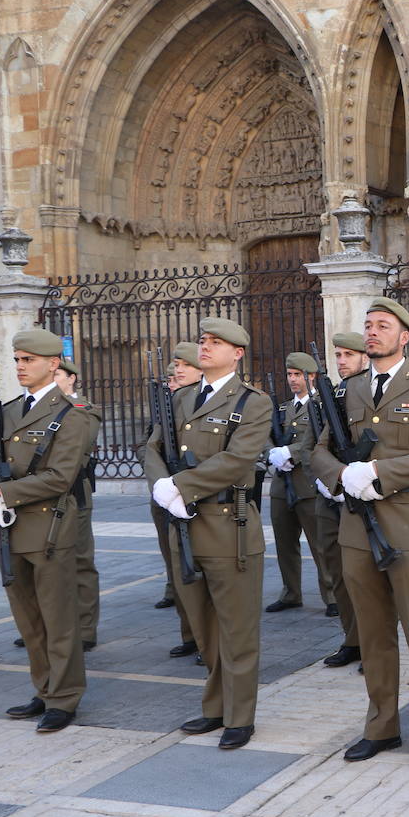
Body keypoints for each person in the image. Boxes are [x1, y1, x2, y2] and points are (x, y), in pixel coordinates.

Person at [312, 298, 409, 772]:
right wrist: (340, 475)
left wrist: (375, 471)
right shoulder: (348, 389)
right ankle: (382, 726)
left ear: (404, 336)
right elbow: (320, 449)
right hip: (356, 530)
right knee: (373, 636)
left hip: (408, 527)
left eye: (383, 326)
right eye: (368, 325)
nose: (372, 333)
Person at [144, 317, 272, 749]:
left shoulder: (254, 402)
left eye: (215, 342)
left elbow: (238, 461)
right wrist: (161, 485)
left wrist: (180, 485)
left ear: (236, 353)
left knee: (236, 629)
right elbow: (153, 447)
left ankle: (240, 715)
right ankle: (214, 706)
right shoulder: (179, 398)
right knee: (203, 626)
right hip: (184, 525)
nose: (205, 347)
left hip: (227, 526)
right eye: (203, 341)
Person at [0, 328, 97, 733]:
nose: (20, 367)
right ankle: (44, 688)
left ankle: (64, 698)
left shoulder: (71, 414)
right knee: (28, 618)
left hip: (50, 529)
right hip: (11, 528)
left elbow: (60, 477)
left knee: (58, 617)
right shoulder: (10, 410)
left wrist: (2, 493)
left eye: (28, 360)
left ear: (52, 364)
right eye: (17, 359)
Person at [265, 352, 337, 615]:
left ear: (311, 376)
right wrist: (272, 453)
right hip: (282, 487)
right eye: (290, 375)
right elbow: (264, 435)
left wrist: (291, 453)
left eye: (297, 375)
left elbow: (319, 439)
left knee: (319, 544)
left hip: (307, 486)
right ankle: (290, 592)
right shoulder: (282, 408)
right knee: (285, 544)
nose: (292, 380)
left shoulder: (321, 406)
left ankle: (331, 595)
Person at [315, 332, 367, 668]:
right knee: (339, 574)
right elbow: (315, 443)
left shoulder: (370, 392)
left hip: (363, 494)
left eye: (349, 354)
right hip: (331, 494)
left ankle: (374, 642)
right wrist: (325, 477)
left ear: (365, 356)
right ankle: (352, 639)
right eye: (338, 354)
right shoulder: (332, 392)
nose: (342, 360)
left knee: (366, 576)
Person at [148, 342, 202, 660]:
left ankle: (205, 636)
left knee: (197, 571)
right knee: (176, 568)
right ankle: (190, 634)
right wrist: (161, 486)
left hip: (195, 497)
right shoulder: (170, 403)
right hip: (165, 496)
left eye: (184, 366)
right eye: (174, 369)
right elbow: (152, 448)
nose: (177, 374)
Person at [54, 358, 101, 652]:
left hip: (74, 493)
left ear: (71, 378)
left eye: (57, 373)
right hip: (40, 497)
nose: (53, 378)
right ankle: (52, 625)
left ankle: (85, 628)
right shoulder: (31, 409)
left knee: (80, 561)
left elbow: (81, 447)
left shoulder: (84, 409)